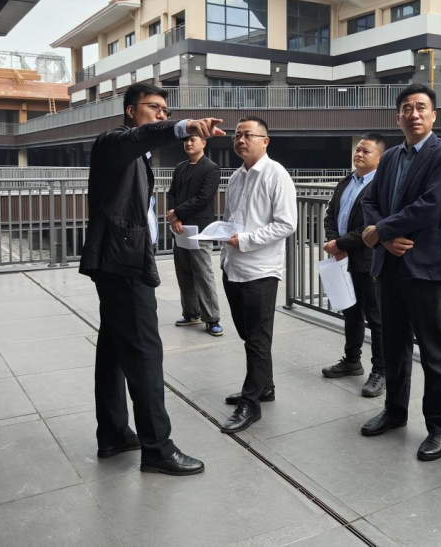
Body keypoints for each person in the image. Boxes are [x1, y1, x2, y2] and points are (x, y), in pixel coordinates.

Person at [79, 82, 224, 476]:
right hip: (123, 262)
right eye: (154, 107)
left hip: (119, 259)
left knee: (113, 350)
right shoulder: (113, 142)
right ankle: (158, 448)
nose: (162, 114)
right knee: (145, 353)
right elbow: (141, 136)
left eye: (166, 110)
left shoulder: (137, 155)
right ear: (131, 110)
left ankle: (113, 433)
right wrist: (184, 126)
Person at [359, 83, 441, 462]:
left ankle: (439, 427)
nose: (413, 114)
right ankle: (395, 411)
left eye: (421, 107)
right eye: (407, 108)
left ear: (433, 115)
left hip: (425, 267)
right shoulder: (389, 158)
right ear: (398, 117)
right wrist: (384, 238)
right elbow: (370, 200)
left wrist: (380, 232)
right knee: (393, 346)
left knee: (434, 352)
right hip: (389, 265)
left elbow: (432, 205)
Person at [219, 116, 297, 434]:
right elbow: (231, 219)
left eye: (247, 135)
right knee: (249, 335)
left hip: (260, 271)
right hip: (233, 267)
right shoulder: (236, 176)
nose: (240, 140)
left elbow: (286, 223)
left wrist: (247, 240)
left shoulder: (276, 174)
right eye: (236, 135)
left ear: (265, 141)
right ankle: (265, 387)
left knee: (258, 339)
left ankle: (250, 403)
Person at [321, 133, 387, 397]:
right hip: (344, 258)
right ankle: (352, 361)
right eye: (357, 149)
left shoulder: (381, 186)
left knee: (376, 317)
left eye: (365, 151)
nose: (358, 154)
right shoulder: (347, 181)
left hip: (368, 260)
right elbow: (330, 215)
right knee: (351, 311)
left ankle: (381, 371)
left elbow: (371, 227)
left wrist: (340, 244)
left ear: (380, 159)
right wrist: (333, 241)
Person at [166, 134, 223, 336]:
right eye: (186, 140)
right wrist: (174, 217)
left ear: (203, 143)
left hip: (200, 229)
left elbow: (204, 198)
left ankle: (212, 318)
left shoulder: (211, 168)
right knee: (184, 273)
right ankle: (191, 313)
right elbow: (171, 193)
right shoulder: (180, 167)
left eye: (193, 140)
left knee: (203, 274)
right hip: (180, 228)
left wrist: (177, 213)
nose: (188, 143)